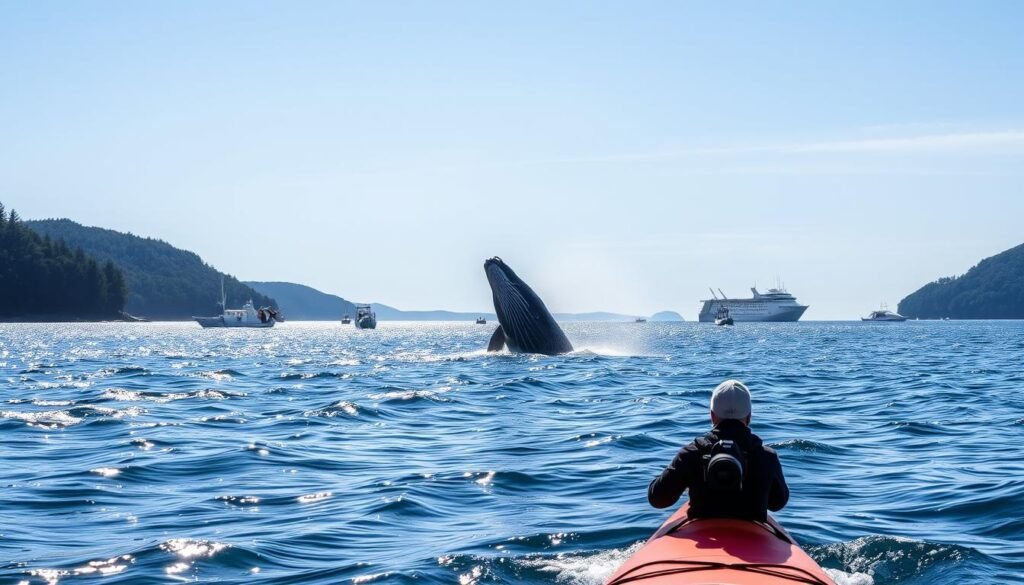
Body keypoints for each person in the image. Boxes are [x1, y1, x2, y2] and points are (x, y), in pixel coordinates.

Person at [647, 379, 789, 522]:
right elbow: (777, 504)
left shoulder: (691, 454)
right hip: (752, 537)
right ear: (749, 416)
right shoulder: (767, 456)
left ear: (712, 415)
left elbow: (657, 500)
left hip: (703, 535)